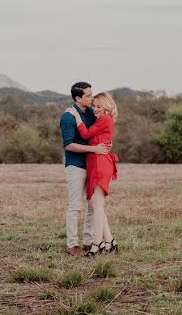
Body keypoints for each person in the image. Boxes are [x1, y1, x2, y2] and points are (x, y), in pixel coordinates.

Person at [61, 82, 111, 256]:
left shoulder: (92, 113)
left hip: (93, 164)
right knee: (75, 205)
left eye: (92, 94)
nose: (92, 98)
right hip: (76, 165)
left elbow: (99, 132)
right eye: (88, 96)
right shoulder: (68, 117)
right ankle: (72, 244)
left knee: (92, 205)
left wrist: (104, 145)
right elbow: (69, 145)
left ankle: (89, 242)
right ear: (78, 98)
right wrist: (94, 149)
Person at [71, 91, 119, 256]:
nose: (95, 109)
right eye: (94, 106)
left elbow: (85, 134)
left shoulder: (105, 119)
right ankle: (110, 241)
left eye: (99, 106)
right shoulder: (102, 120)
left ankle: (97, 244)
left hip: (99, 164)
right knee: (96, 205)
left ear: (106, 106)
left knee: (97, 206)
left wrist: (77, 117)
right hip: (94, 163)